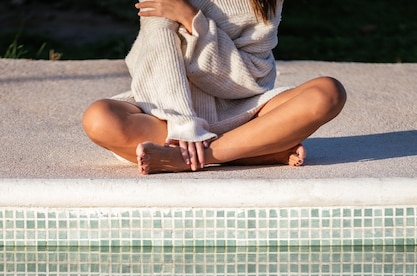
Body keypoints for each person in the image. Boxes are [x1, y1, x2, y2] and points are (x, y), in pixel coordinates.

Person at [82, 0, 346, 175]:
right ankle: (253, 151)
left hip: (244, 111)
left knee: (328, 92)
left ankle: (198, 157)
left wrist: (192, 20)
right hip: (168, 115)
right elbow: (156, 59)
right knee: (99, 119)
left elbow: (252, 76)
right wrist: (184, 127)